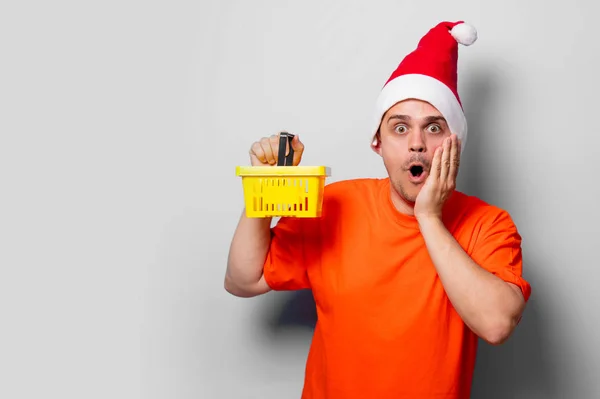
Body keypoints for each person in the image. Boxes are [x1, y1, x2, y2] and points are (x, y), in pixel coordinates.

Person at [225, 20, 531, 399]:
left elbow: (497, 323)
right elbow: (243, 280)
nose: (417, 144)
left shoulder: (489, 225)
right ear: (378, 143)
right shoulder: (337, 205)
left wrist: (429, 217)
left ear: (455, 144)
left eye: (433, 128)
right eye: (400, 129)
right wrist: (264, 192)